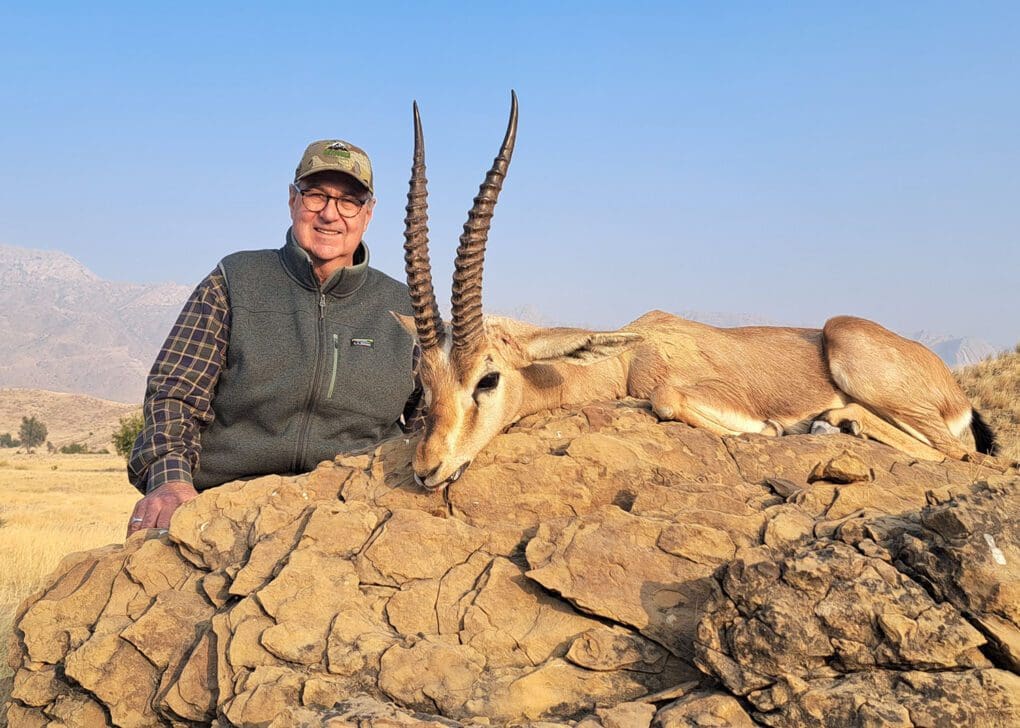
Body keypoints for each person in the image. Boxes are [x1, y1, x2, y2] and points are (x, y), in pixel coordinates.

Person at [126, 139, 419, 535]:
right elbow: (175, 395)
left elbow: (433, 418)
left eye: (349, 201)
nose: (330, 213)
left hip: (356, 510)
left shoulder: (406, 307)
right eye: (316, 195)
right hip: (231, 503)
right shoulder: (234, 281)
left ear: (368, 214)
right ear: (293, 200)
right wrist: (170, 480)